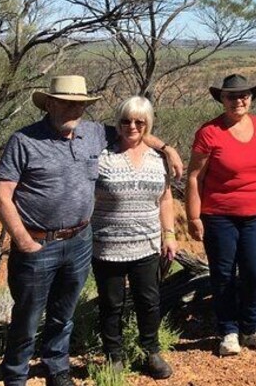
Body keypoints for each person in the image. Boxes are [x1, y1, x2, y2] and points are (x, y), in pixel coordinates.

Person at [0, 75, 182, 386]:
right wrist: (24, 240)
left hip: (80, 241)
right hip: (38, 244)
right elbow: (1, 194)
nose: (74, 109)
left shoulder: (93, 133)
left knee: (63, 314)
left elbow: (134, 131)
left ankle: (57, 370)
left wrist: (167, 148)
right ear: (49, 103)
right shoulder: (24, 140)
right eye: (66, 103)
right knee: (28, 316)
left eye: (79, 103)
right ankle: (16, 376)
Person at [185, 74, 256, 356]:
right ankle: (228, 330)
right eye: (231, 96)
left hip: (253, 213)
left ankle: (253, 326)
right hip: (218, 214)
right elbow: (194, 177)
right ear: (222, 99)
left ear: (250, 98)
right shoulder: (209, 132)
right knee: (224, 273)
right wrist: (193, 217)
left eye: (244, 95)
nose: (239, 100)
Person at [91, 96, 177, 378]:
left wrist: (169, 234)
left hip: (148, 244)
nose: (132, 126)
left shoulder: (158, 159)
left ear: (148, 125)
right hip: (108, 245)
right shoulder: (103, 157)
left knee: (149, 300)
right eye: (126, 120)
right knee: (111, 303)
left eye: (139, 122)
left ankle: (150, 351)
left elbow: (165, 198)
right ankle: (113, 355)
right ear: (118, 122)